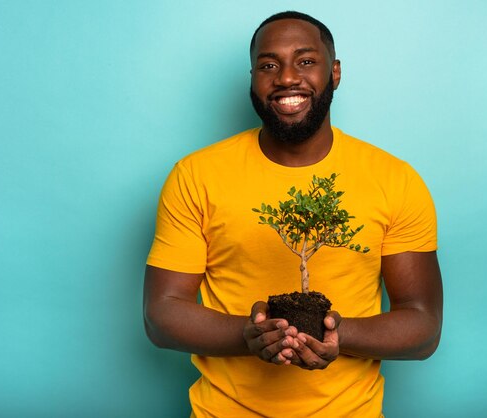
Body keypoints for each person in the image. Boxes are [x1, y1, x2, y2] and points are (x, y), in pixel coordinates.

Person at [144, 10, 443, 418]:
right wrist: (249, 335)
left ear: (334, 72)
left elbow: (423, 327)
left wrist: (337, 332)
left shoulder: (395, 180)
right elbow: (161, 314)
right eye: (269, 65)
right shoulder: (196, 176)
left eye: (305, 61)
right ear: (252, 77)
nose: (286, 78)